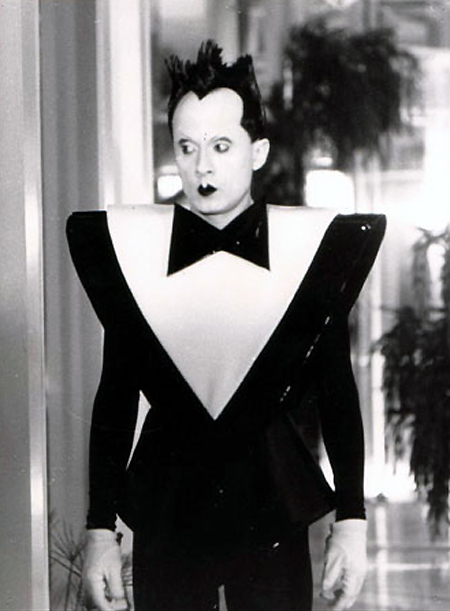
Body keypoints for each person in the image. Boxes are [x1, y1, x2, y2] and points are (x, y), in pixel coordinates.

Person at [67, 40, 386, 611]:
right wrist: (99, 534)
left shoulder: (307, 250)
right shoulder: (137, 252)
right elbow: (114, 397)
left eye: (221, 146)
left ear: (257, 151)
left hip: (272, 503)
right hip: (167, 508)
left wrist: (352, 522)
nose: (203, 166)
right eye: (186, 147)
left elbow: (337, 391)